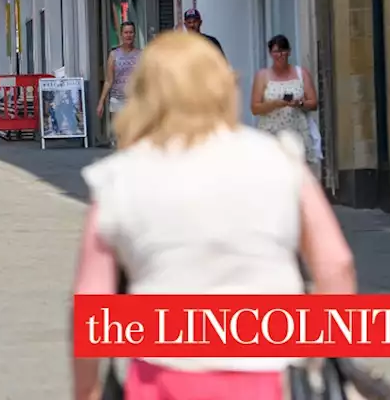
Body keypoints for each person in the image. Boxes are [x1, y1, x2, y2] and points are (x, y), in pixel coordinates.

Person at [70, 32, 355, 400]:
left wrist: (86, 391)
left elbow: (91, 301)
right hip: (267, 375)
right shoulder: (279, 160)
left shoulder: (120, 177)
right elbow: (336, 267)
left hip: (163, 378)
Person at [251, 34, 320, 162]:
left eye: (283, 51)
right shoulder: (262, 76)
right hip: (271, 134)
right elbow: (255, 108)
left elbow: (314, 103)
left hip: (296, 132)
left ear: (289, 52)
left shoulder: (301, 73)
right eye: (276, 51)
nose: (280, 55)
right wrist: (275, 103)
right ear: (271, 53)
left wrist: (299, 103)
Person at [96, 21, 140, 124]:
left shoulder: (140, 55)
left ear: (134, 34)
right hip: (117, 100)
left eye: (131, 32)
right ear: (121, 35)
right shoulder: (114, 55)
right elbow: (108, 80)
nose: (128, 35)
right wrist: (101, 102)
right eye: (126, 33)